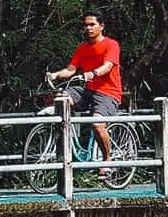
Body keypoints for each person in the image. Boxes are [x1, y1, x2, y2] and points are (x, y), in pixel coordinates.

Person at [45, 10, 123, 171]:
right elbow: (70, 70)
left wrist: (93, 73)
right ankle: (65, 148)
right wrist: (55, 75)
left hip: (108, 93)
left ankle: (107, 161)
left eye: (92, 24)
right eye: (86, 25)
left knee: (96, 123)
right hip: (88, 90)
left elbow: (107, 66)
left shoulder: (111, 44)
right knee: (62, 97)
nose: (88, 28)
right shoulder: (82, 48)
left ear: (101, 26)